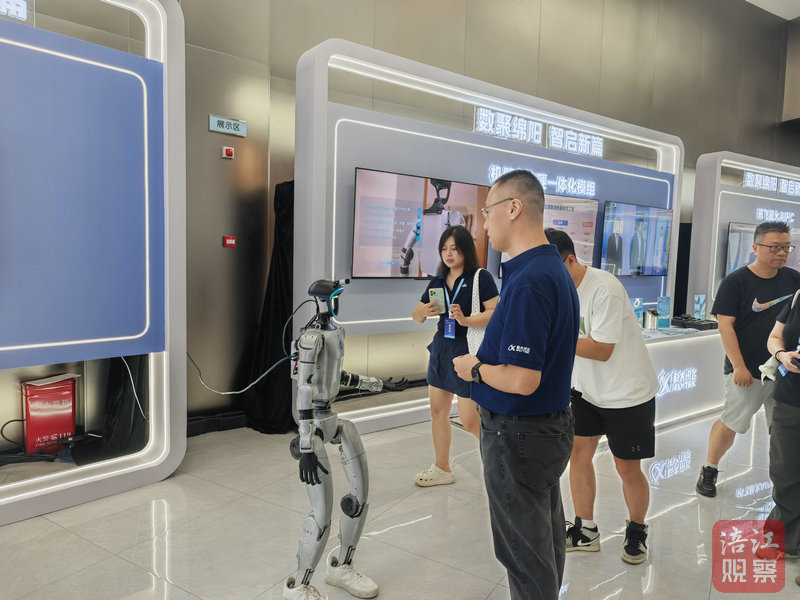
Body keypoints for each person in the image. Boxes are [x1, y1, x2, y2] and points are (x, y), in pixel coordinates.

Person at [453, 170, 578, 600]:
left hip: (517, 433)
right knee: (542, 544)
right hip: (541, 429)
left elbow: (523, 379)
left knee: (525, 556)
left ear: (513, 208)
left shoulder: (530, 281)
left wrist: (474, 368)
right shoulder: (549, 268)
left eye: (487, 211)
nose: (485, 223)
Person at [545, 228, 658, 565]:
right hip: (585, 390)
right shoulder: (557, 289)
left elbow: (601, 349)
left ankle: (636, 531)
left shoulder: (605, 289)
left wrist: (552, 341)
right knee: (579, 455)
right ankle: (586, 530)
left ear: (570, 260)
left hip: (627, 394)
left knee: (627, 467)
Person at [696, 221, 800, 497]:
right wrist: (739, 367)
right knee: (732, 423)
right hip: (747, 371)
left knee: (782, 430)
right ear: (755, 247)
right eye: (775, 247)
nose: (782, 253)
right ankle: (709, 469)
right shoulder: (736, 282)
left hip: (785, 370)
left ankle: (784, 481)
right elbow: (725, 326)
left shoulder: (794, 280)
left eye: (786, 247)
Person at [411, 225, 498, 486]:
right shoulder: (438, 281)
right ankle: (442, 468)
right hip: (441, 349)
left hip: (467, 350)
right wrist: (424, 311)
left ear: (465, 250)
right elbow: (416, 316)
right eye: (444, 249)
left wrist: (466, 320)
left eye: (454, 249)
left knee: (470, 419)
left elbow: (495, 313)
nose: (448, 254)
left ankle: (500, 463)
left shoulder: (480, 278)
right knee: (437, 411)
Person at [764, 285, 800, 560]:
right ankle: (782, 540)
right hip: (789, 398)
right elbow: (775, 337)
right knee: (783, 470)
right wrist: (782, 355)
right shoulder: (798, 297)